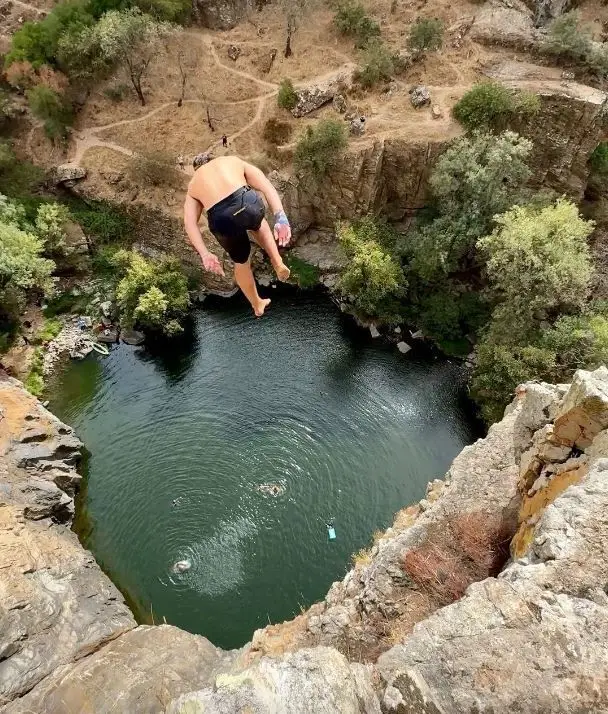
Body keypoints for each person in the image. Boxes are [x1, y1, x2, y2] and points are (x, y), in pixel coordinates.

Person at [184, 153, 291, 317]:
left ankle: (257, 304)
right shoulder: (232, 161)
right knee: (258, 223)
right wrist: (280, 217)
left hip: (222, 218)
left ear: (196, 169)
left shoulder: (193, 184)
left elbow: (190, 224)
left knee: (241, 261)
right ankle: (277, 262)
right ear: (214, 159)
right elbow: (266, 185)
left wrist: (205, 254)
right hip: (246, 201)